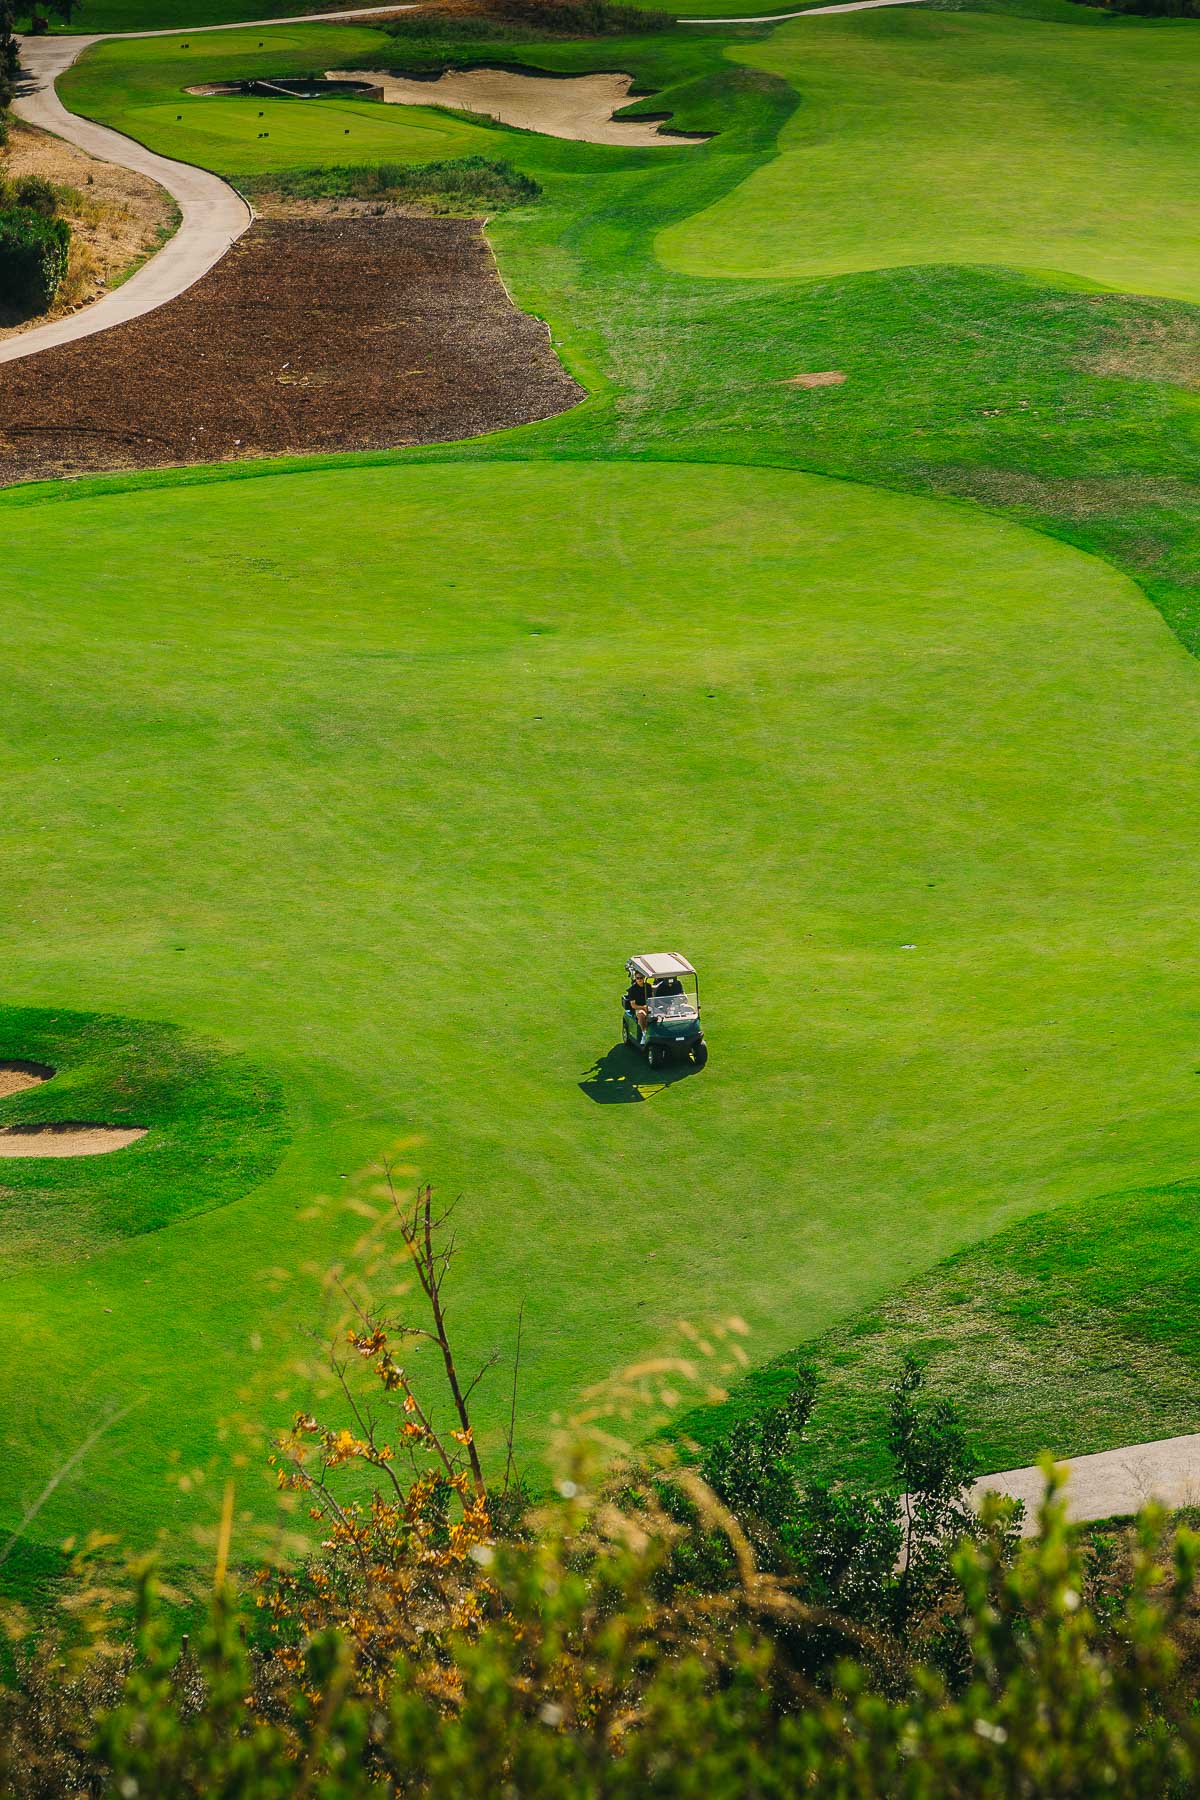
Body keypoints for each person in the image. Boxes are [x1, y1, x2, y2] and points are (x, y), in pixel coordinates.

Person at [626, 969, 652, 1036]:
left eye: (641, 978)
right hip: (639, 1007)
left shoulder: (648, 987)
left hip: (649, 1006)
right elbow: (633, 1005)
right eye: (637, 978)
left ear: (644, 978)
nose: (639, 980)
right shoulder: (632, 990)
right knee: (641, 1014)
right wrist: (643, 1007)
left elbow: (652, 998)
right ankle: (644, 1033)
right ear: (635, 978)